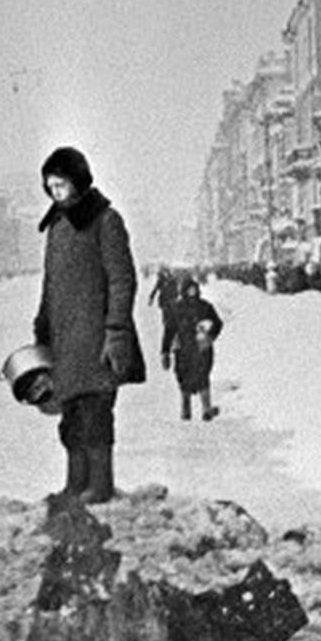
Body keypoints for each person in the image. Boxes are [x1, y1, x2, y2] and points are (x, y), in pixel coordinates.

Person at [33, 146, 146, 503]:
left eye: (61, 184)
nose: (56, 193)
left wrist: (116, 332)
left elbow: (121, 279)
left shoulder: (106, 220)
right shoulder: (55, 226)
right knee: (70, 417)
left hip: (98, 340)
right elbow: (50, 282)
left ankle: (99, 484)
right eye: (50, 186)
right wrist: (41, 326)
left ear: (78, 181)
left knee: (96, 415)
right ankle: (75, 482)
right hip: (65, 342)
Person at [159, 277, 224, 421]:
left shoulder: (205, 307)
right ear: (183, 291)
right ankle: (185, 408)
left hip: (202, 349)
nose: (192, 292)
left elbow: (218, 323)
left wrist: (210, 336)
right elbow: (169, 330)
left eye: (194, 289)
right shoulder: (176, 308)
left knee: (203, 375)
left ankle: (206, 408)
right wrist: (165, 351)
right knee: (183, 376)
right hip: (183, 349)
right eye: (189, 289)